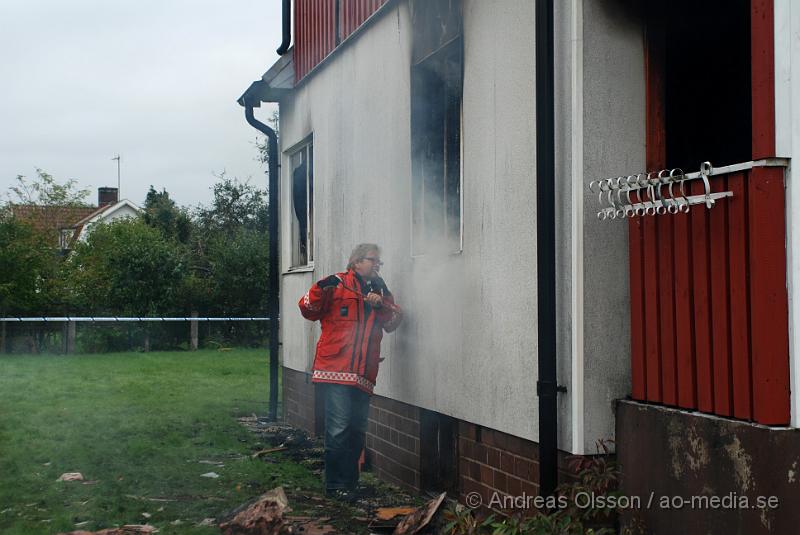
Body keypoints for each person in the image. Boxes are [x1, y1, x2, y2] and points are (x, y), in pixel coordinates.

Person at [298, 243, 403, 499]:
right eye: (373, 260)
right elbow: (306, 308)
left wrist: (380, 306)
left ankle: (350, 484)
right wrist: (318, 290)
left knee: (356, 429)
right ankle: (335, 486)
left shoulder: (380, 288)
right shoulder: (335, 283)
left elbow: (394, 321)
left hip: (364, 374)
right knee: (339, 428)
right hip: (335, 370)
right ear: (356, 262)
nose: (378, 264)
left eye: (379, 261)